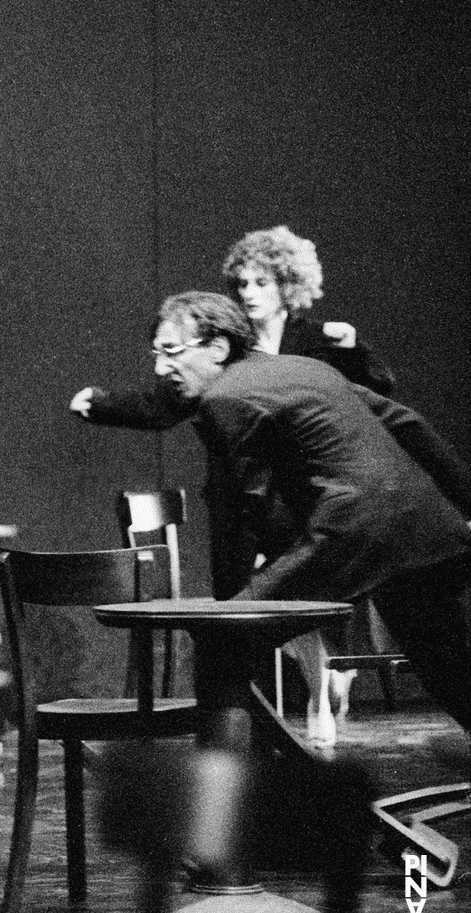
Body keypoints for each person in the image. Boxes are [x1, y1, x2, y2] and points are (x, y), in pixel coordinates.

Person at [136, 290, 471, 742]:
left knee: (222, 648)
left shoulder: (224, 399)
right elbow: (408, 423)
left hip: (351, 529)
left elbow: (238, 510)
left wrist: (231, 608)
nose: (161, 368)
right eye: (156, 355)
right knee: (448, 666)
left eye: (172, 351)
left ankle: (229, 782)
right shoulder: (306, 368)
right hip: (425, 525)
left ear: (217, 347)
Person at [69, 225, 394, 428]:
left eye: (261, 283)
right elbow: (165, 406)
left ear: (286, 284)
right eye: (242, 284)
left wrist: (352, 350)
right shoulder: (230, 344)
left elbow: (376, 391)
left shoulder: (317, 339)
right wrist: (102, 404)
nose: (249, 293)